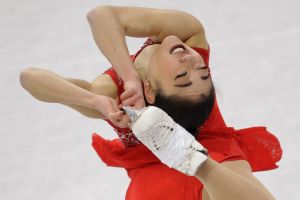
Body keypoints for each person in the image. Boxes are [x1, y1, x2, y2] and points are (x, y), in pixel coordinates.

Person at [20, 5, 282, 200]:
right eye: (203, 73)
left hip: (208, 141)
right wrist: (100, 96)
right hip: (150, 164)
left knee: (234, 175)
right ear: (148, 90)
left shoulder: (116, 92)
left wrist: (98, 97)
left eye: (183, 76)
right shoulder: (189, 36)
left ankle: (195, 160)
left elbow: (30, 78)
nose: (192, 62)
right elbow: (100, 16)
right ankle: (196, 162)